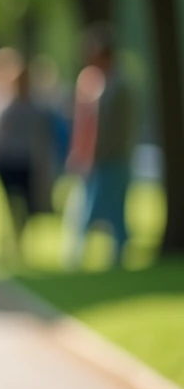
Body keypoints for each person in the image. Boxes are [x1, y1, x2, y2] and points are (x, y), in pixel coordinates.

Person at [64, 32, 138, 268]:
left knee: (104, 211)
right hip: (100, 160)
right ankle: (82, 255)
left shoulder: (119, 86)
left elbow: (116, 130)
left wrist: (94, 156)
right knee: (93, 209)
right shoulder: (100, 83)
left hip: (112, 160)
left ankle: (87, 256)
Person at [0, 51, 56, 263]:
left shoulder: (32, 107)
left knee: (21, 203)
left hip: (22, 160)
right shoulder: (12, 105)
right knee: (13, 203)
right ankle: (13, 240)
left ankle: (16, 240)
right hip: (11, 160)